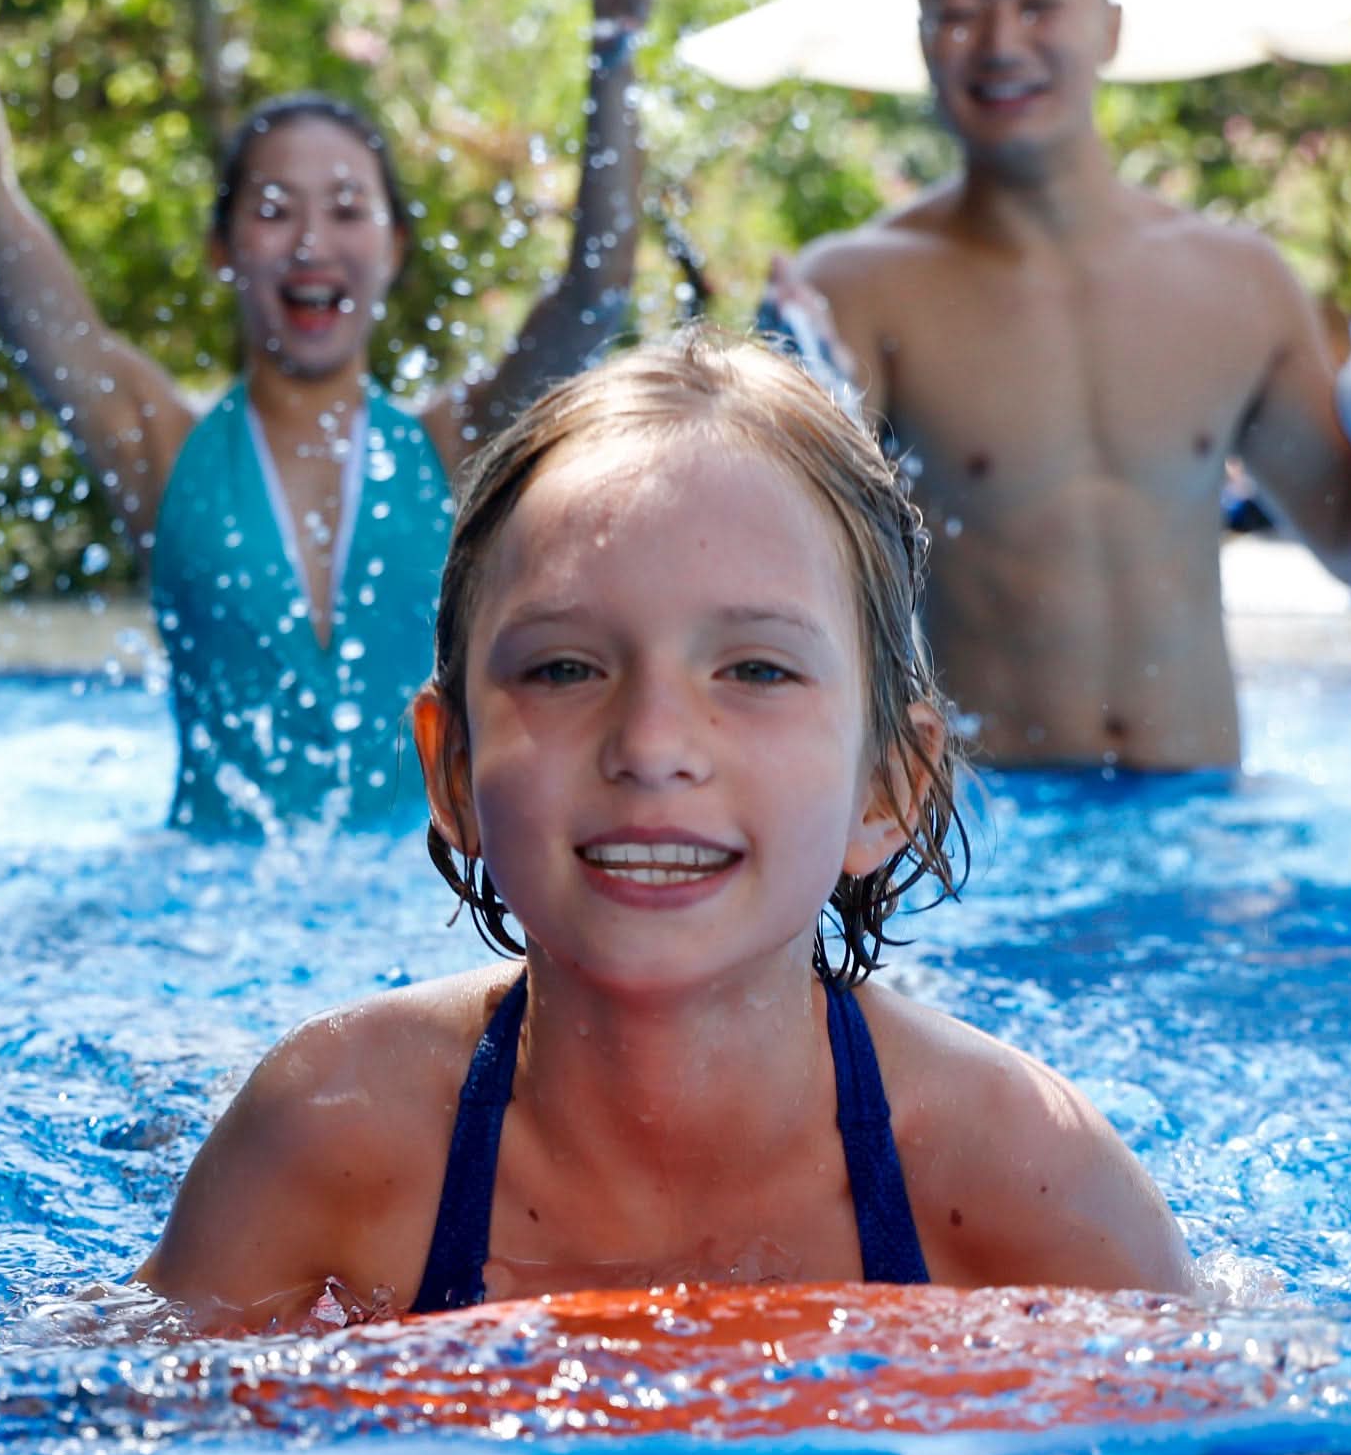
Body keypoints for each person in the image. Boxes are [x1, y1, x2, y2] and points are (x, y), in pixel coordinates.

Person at [144, 333, 1192, 1329]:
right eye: (564, 669)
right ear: (452, 768)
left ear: (886, 785)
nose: (651, 744)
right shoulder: (330, 1139)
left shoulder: (1024, 1181)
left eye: (755, 670)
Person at [0, 0, 653, 836]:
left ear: (393, 250)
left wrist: (613, 62)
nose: (312, 243)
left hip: (430, 913)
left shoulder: (457, 455)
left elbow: (594, 292)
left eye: (346, 210)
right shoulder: (162, 450)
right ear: (225, 251)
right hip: (203, 912)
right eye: (274, 212)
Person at [764, 0, 1351, 772]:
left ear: (1110, 25)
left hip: (1208, 829)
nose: (1001, 43)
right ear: (925, 38)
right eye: (960, 11)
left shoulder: (1236, 283)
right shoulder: (855, 290)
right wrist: (795, 418)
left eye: (1039, 3)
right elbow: (778, 587)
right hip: (994, 839)